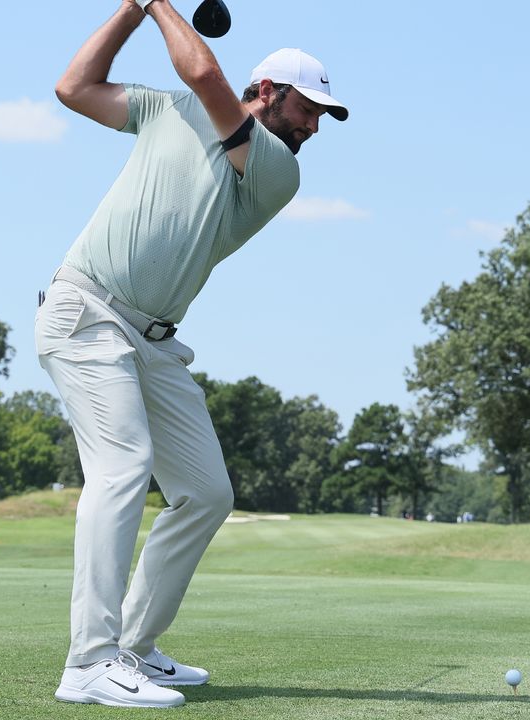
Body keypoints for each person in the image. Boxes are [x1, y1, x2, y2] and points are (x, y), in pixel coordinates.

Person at [36, 0, 348, 709]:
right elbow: (74, 88)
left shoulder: (274, 168)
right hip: (86, 312)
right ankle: (87, 664)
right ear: (266, 91)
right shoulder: (165, 109)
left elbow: (205, 71)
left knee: (207, 493)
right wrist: (129, 9)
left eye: (322, 116)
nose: (313, 125)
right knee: (122, 468)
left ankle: (133, 648)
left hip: (153, 343)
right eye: (308, 108)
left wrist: (156, 3)